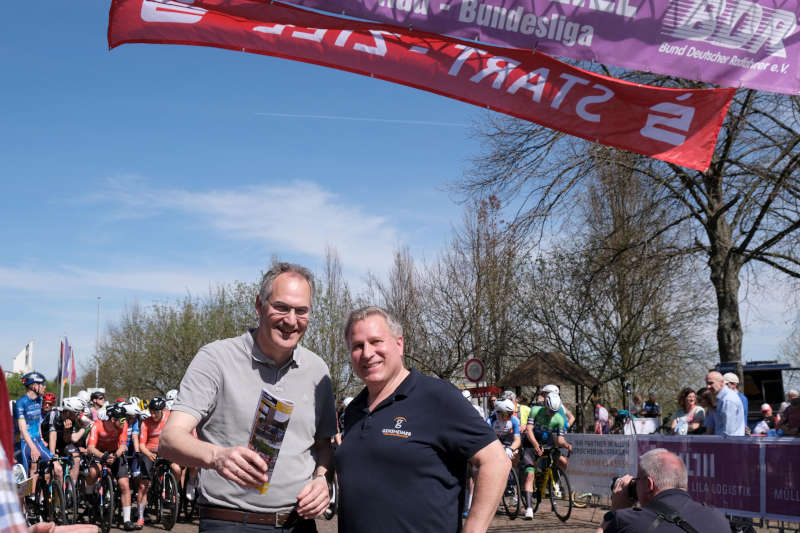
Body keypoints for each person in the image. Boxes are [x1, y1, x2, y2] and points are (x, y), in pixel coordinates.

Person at [160, 262, 337, 533]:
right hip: (230, 523)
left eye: (301, 311)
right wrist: (216, 456)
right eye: (281, 307)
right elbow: (169, 440)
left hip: (299, 525)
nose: (291, 320)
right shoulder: (215, 359)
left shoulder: (317, 370)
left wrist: (323, 479)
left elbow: (324, 446)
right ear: (259, 305)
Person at [336, 306, 509, 533]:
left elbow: (496, 461)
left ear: (399, 344)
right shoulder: (354, 410)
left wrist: (474, 528)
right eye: (358, 346)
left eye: (376, 341)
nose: (367, 353)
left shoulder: (437, 396)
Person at [597, 448, 729, 533]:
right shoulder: (718, 519)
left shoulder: (627, 522)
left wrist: (614, 513)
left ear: (649, 484)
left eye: (637, 480)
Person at [523, 391, 572, 520]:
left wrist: (566, 444)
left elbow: (560, 439)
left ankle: (551, 484)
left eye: (554, 412)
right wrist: (535, 445)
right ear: (545, 405)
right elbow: (529, 430)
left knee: (559, 460)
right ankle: (528, 508)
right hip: (531, 442)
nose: (552, 414)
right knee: (530, 474)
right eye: (550, 411)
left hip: (546, 444)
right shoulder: (535, 411)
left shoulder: (559, 419)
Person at [86, 404, 134, 530]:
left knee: (124, 484)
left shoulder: (123, 425)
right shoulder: (97, 426)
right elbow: (90, 448)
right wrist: (103, 456)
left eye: (126, 419)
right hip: (99, 453)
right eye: (123, 419)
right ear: (113, 419)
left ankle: (127, 520)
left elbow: (123, 445)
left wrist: (115, 456)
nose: (125, 422)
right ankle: (89, 495)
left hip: (115, 453)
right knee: (92, 472)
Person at [137, 397, 180, 529]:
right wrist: (149, 454)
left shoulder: (169, 417)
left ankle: (173, 491)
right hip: (150, 451)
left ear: (162, 411)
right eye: (151, 411)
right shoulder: (146, 422)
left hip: (167, 450)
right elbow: (141, 445)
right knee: (144, 485)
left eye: (156, 412)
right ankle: (140, 517)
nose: (153, 414)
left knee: (177, 469)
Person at [705, 371, 745, 436]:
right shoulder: (723, 398)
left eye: (711, 383)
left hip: (730, 444)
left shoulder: (728, 400)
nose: (708, 386)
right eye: (707, 383)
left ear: (721, 382)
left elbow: (728, 432)